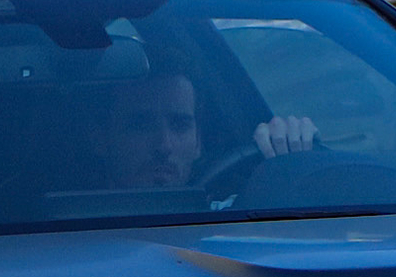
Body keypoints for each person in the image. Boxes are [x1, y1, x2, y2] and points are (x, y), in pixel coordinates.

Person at [101, 69, 317, 190]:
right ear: (101, 138)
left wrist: (295, 153)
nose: (164, 145)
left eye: (180, 125)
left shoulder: (234, 214)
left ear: (198, 142)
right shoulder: (71, 227)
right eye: (142, 125)